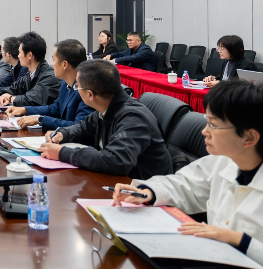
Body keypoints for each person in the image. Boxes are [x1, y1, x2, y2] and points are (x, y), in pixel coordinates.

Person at [111, 80, 263, 269]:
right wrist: (147, 192)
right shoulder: (225, 161)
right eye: (206, 121)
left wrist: (240, 241)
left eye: (213, 125)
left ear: (249, 138)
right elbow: (184, 185)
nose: (204, 131)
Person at [40, 59, 172, 179]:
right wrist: (63, 133)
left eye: (77, 86)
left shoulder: (133, 118)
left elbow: (117, 160)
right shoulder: (108, 106)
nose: (77, 90)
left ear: (90, 94)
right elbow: (84, 127)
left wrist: (62, 153)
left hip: (144, 189)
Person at [7, 39, 95, 131]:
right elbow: (54, 109)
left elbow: (79, 126)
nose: (52, 64)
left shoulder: (86, 89)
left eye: (54, 60)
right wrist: (25, 110)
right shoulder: (65, 83)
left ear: (64, 64)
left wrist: (41, 120)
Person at [0, 31, 60, 107]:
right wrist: (4, 95)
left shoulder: (49, 76)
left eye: (19, 52)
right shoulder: (30, 74)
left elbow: (32, 99)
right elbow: (12, 88)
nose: (18, 56)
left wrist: (10, 97)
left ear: (29, 55)